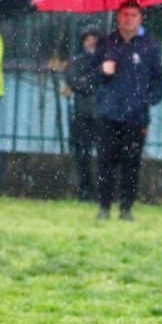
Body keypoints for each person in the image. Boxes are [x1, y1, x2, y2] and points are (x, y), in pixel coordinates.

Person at [93, 0, 162, 220]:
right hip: (108, 113)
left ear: (140, 18)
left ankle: (126, 208)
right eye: (125, 14)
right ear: (118, 16)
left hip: (136, 116)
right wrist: (103, 71)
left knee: (131, 163)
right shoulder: (106, 43)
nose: (129, 19)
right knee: (105, 162)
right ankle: (104, 207)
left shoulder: (149, 45)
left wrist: (147, 100)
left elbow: (160, 79)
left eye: (134, 15)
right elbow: (89, 77)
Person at [64, 27, 104, 201]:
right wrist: (91, 82)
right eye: (88, 39)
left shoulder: (105, 60)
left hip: (101, 114)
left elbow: (105, 82)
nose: (91, 42)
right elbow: (74, 82)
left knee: (104, 154)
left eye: (94, 38)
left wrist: (86, 81)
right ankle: (85, 189)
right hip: (83, 113)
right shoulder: (77, 61)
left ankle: (102, 190)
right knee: (82, 153)